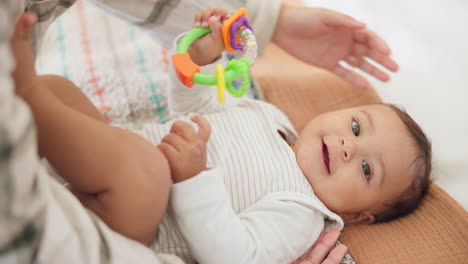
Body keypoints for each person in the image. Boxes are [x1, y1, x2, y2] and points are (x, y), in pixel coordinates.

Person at [8, 7, 431, 264]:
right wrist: (202, 60)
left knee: (148, 171)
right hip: (107, 162)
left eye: (366, 168)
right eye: (356, 127)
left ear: (358, 215)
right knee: (62, 92)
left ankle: (21, 95)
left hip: (134, 219)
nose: (348, 145)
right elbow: (197, 112)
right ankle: (30, 121)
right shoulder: (268, 116)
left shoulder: (300, 212)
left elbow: (233, 255)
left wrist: (194, 178)